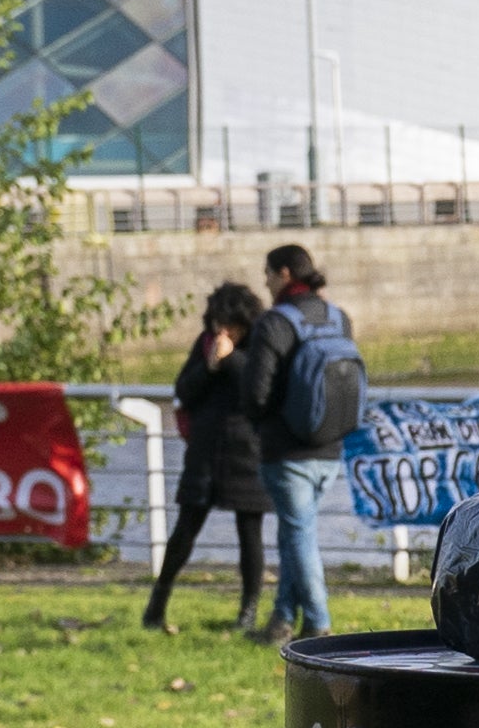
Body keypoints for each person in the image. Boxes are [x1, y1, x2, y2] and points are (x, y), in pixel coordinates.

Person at [144, 278, 278, 631]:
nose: (223, 332)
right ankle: (156, 605)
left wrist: (231, 359)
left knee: (250, 532)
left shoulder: (259, 346)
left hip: (247, 452)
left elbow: (259, 387)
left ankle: (247, 613)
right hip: (205, 450)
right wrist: (209, 366)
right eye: (218, 325)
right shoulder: (203, 346)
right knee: (185, 528)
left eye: (231, 326)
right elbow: (183, 390)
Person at [254, 240, 355, 640]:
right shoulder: (339, 318)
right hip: (331, 446)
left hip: (287, 449)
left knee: (300, 534)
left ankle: (317, 624)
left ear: (283, 274)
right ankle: (281, 619)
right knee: (294, 531)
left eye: (266, 273)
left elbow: (257, 394)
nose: (263, 282)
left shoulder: (275, 322)